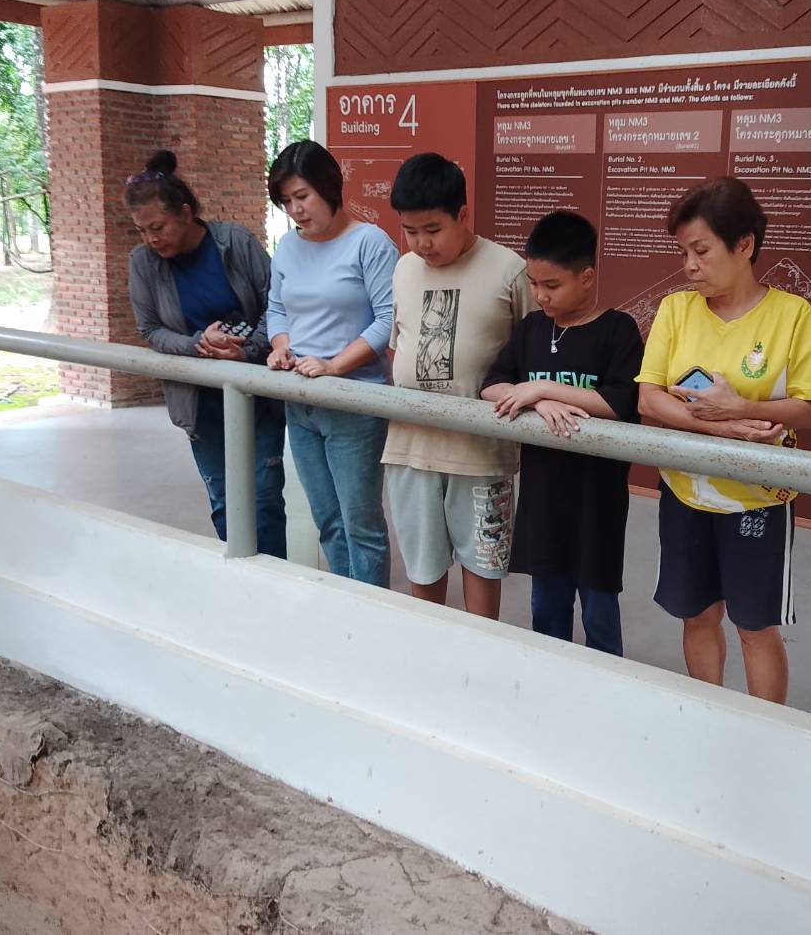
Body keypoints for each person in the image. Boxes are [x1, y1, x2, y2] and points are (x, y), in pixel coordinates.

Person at [636, 177, 811, 704]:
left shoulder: (792, 315)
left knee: (754, 625)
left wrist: (741, 407)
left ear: (744, 244)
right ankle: (710, 714)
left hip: (758, 497)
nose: (689, 266)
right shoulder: (676, 310)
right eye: (683, 253)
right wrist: (721, 427)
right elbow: (649, 400)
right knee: (697, 615)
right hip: (684, 491)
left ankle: (765, 730)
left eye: (701, 251)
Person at [481, 211, 642, 656]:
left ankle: (604, 680)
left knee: (599, 612)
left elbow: (619, 402)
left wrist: (545, 387)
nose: (540, 295)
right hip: (544, 499)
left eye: (552, 285)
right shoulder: (531, 329)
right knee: (546, 610)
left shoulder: (618, 330)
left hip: (597, 501)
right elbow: (492, 385)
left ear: (586, 277)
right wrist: (536, 401)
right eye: (534, 284)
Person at [382, 152, 533, 619]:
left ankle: (481, 656)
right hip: (410, 450)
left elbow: (531, 356)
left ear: (463, 215)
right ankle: (431, 655)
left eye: (433, 229)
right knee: (422, 570)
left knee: (484, 570)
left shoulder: (509, 270)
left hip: (482, 457)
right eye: (410, 231)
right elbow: (398, 346)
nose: (421, 243)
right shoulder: (404, 269)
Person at [125, 149, 287, 558]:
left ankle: (273, 581)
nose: (151, 239)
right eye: (141, 231)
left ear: (185, 212)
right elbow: (150, 330)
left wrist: (248, 350)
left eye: (158, 227)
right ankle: (237, 578)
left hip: (257, 393)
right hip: (200, 404)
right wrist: (198, 344)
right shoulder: (143, 263)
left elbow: (277, 303)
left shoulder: (235, 242)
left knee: (264, 498)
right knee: (224, 500)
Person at [266, 140, 398, 587]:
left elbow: (388, 320)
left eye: (302, 196)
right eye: (287, 202)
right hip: (300, 400)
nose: (295, 210)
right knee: (327, 520)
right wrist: (282, 346)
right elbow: (277, 309)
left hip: (354, 401)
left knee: (362, 525)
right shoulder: (288, 246)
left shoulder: (370, 242)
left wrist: (335, 365)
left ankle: (369, 612)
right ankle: (343, 603)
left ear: (329, 187)